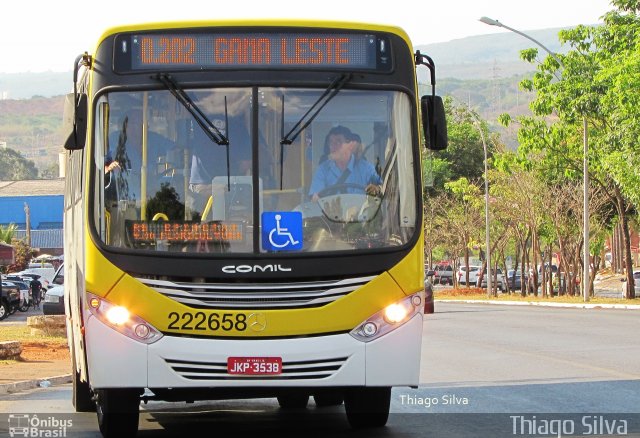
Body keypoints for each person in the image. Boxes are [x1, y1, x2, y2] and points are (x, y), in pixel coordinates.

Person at [105, 109, 175, 203]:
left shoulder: (153, 139)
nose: (136, 127)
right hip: (123, 196)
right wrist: (109, 168)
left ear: (146, 126)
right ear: (125, 125)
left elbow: (176, 149)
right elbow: (99, 166)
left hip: (151, 192)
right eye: (133, 123)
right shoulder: (114, 139)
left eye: (140, 123)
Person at [308, 126, 382, 202]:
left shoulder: (366, 168)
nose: (333, 146)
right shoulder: (323, 169)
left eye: (338, 142)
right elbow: (315, 199)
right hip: (330, 212)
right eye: (331, 142)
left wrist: (376, 189)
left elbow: (384, 186)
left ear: (349, 145)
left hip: (363, 213)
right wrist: (315, 198)